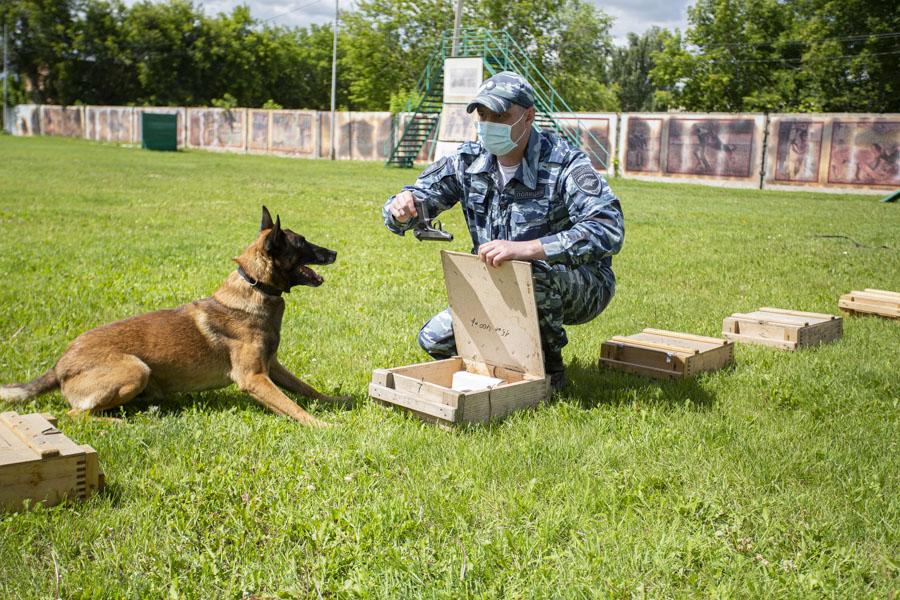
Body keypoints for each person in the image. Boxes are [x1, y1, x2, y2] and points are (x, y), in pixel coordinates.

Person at [382, 71, 624, 391]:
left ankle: (550, 375)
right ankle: (512, 365)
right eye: (483, 115)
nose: (489, 123)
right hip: (499, 282)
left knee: (527, 268)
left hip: (580, 284)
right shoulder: (466, 162)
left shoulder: (564, 163)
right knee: (435, 340)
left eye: (500, 115)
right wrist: (402, 209)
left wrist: (529, 248)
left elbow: (608, 228)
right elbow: (410, 203)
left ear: (528, 117)